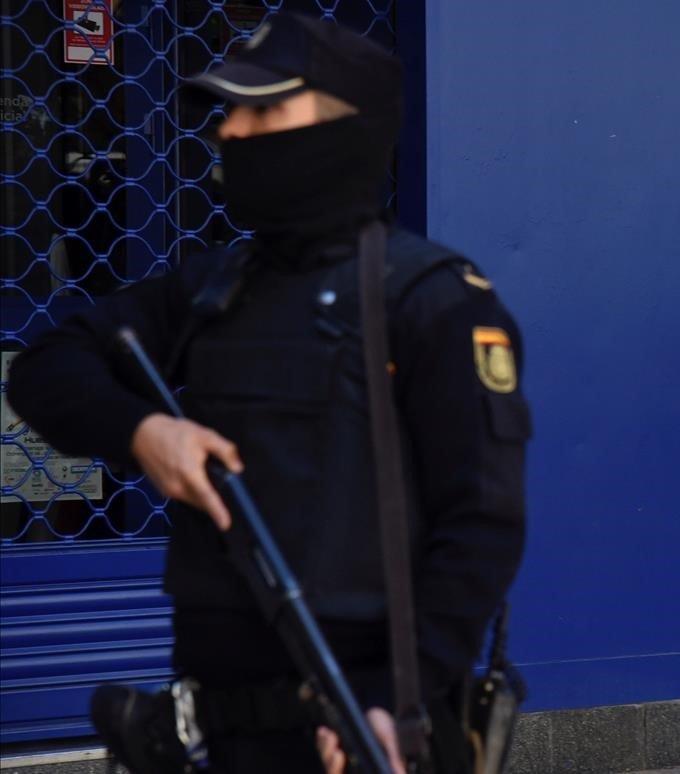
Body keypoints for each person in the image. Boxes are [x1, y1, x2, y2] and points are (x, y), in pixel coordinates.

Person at [7, 13, 528, 773]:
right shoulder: (217, 286)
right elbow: (46, 369)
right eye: (229, 110)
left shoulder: (433, 302)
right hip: (219, 737)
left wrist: (391, 696)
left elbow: (482, 525)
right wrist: (144, 431)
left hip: (366, 736)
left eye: (262, 109)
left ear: (347, 130)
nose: (231, 132)